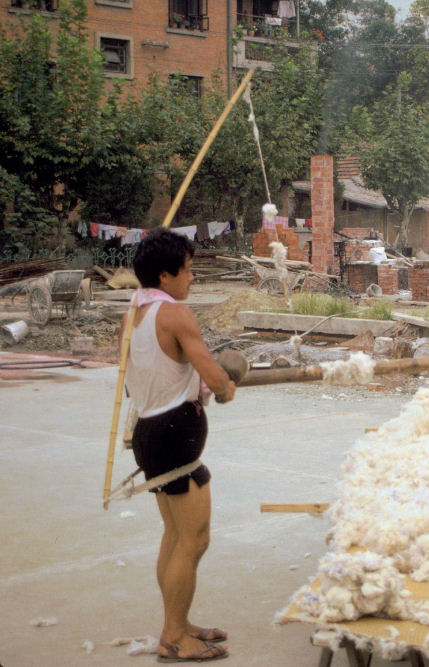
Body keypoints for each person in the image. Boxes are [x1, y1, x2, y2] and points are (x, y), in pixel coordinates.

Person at [122, 228, 236, 662]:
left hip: (149, 432)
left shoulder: (136, 309)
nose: (192, 279)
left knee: (175, 535)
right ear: (165, 276)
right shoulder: (175, 316)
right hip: (173, 436)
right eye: (187, 271)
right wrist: (226, 386)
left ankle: (177, 622)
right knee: (195, 539)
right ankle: (173, 636)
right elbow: (212, 374)